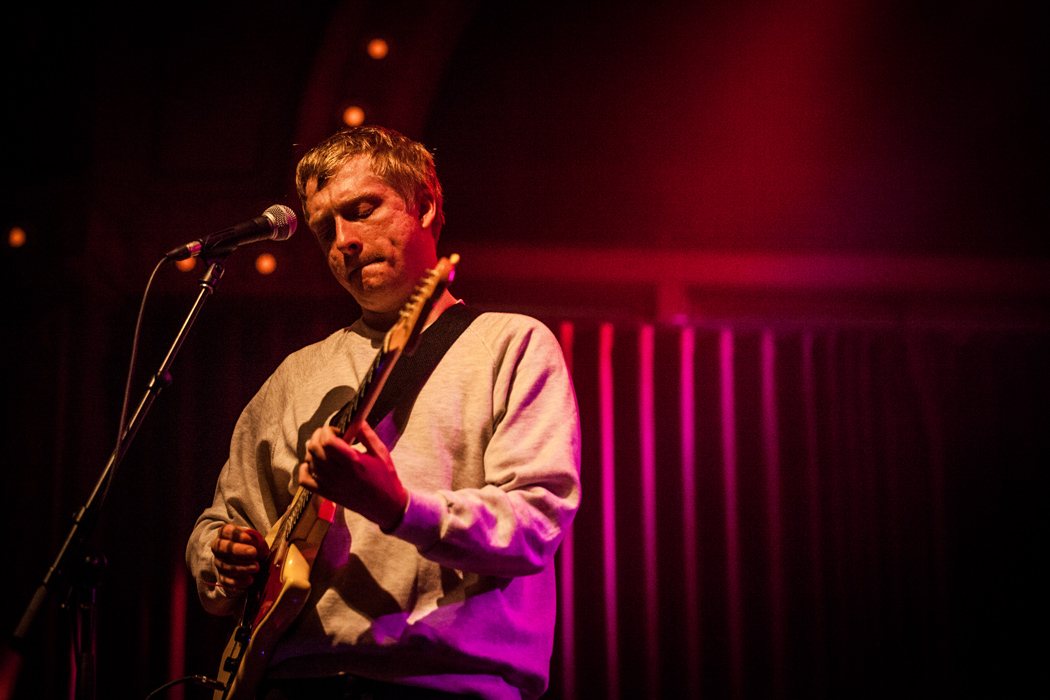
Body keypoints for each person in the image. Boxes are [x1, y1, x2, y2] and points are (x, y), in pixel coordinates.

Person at [185, 125, 581, 700]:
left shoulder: (512, 345)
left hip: (450, 684)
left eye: (361, 210)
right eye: (324, 229)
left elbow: (536, 524)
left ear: (424, 207)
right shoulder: (294, 376)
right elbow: (217, 524)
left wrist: (399, 508)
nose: (342, 240)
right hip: (294, 683)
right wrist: (222, 556)